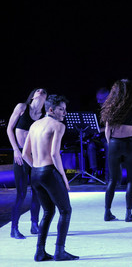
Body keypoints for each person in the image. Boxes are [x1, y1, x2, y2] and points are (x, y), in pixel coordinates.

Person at [22, 94, 78, 261]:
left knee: (48, 211)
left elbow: (25, 154)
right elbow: (54, 154)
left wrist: (38, 170)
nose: (64, 113)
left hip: (36, 173)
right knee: (66, 210)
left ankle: (40, 252)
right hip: (49, 171)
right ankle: (59, 251)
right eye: (61, 109)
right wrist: (63, 176)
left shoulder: (34, 125)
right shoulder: (58, 126)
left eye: (65, 109)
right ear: (51, 110)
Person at [100, 79, 132, 222]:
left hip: (114, 143)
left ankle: (107, 212)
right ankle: (128, 213)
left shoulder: (111, 108)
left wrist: (110, 144)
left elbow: (107, 130)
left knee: (112, 180)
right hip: (130, 144)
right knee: (131, 180)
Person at [6, 88, 47, 239]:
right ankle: (14, 228)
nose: (42, 92)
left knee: (37, 192)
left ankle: (34, 225)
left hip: (35, 156)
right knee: (21, 193)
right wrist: (16, 150)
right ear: (32, 95)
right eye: (39, 90)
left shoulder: (43, 115)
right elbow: (9, 129)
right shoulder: (22, 107)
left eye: (44, 92)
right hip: (20, 155)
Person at [86, 87, 109, 180]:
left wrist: (100, 130)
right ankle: (94, 172)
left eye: (101, 99)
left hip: (109, 136)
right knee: (90, 146)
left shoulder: (113, 108)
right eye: (98, 99)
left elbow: (114, 126)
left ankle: (108, 174)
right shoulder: (96, 107)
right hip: (98, 137)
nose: (99, 101)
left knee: (108, 146)